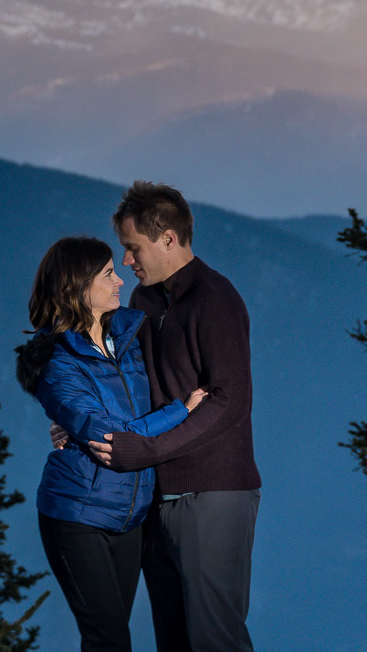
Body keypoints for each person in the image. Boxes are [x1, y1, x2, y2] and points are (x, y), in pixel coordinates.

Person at [83, 182, 262, 652]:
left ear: (168, 238)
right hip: (156, 495)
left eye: (132, 248)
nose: (126, 262)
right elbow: (132, 387)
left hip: (214, 493)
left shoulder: (215, 299)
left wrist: (147, 450)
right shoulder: (144, 302)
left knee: (215, 639)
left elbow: (229, 402)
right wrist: (81, 421)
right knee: (175, 641)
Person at [16, 236, 207, 652]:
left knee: (108, 640)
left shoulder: (128, 336)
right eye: (107, 274)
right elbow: (110, 438)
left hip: (130, 516)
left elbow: (131, 411)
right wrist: (182, 412)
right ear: (78, 288)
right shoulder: (56, 361)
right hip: (77, 515)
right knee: (110, 641)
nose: (120, 281)